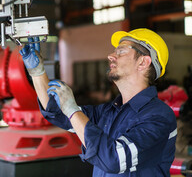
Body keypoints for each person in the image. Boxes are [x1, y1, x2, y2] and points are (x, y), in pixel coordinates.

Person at [20, 28, 177, 176]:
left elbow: (114, 159)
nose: (111, 56)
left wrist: (73, 110)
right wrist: (38, 73)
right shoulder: (109, 112)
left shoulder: (159, 117)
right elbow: (56, 112)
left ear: (143, 62)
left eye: (121, 52)